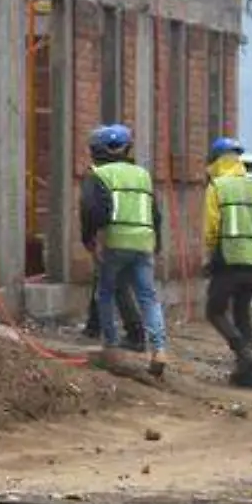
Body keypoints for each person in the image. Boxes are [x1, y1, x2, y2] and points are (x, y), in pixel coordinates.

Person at [78, 123, 170, 375]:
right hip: (143, 242)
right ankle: (159, 350)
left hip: (115, 242)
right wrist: (157, 243)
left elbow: (91, 210)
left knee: (105, 293)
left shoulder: (98, 175)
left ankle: (110, 344)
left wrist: (89, 239)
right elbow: (155, 213)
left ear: (96, 151)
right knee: (148, 297)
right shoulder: (142, 174)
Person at [203, 137, 252, 388]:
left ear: (216, 160)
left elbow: (212, 228)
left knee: (214, 311)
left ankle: (244, 353)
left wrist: (211, 256)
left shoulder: (218, 187)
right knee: (243, 314)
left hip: (229, 258)